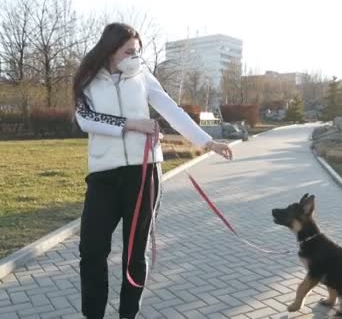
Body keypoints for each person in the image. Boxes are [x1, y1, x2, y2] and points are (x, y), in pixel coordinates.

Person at [72, 22, 233, 319]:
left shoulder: (142, 76)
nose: (135, 56)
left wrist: (207, 141)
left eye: (137, 51)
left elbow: (172, 110)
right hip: (104, 177)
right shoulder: (88, 80)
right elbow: (86, 119)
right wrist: (131, 124)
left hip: (143, 175)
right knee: (91, 251)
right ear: (110, 50)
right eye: (128, 51)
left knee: (135, 255)